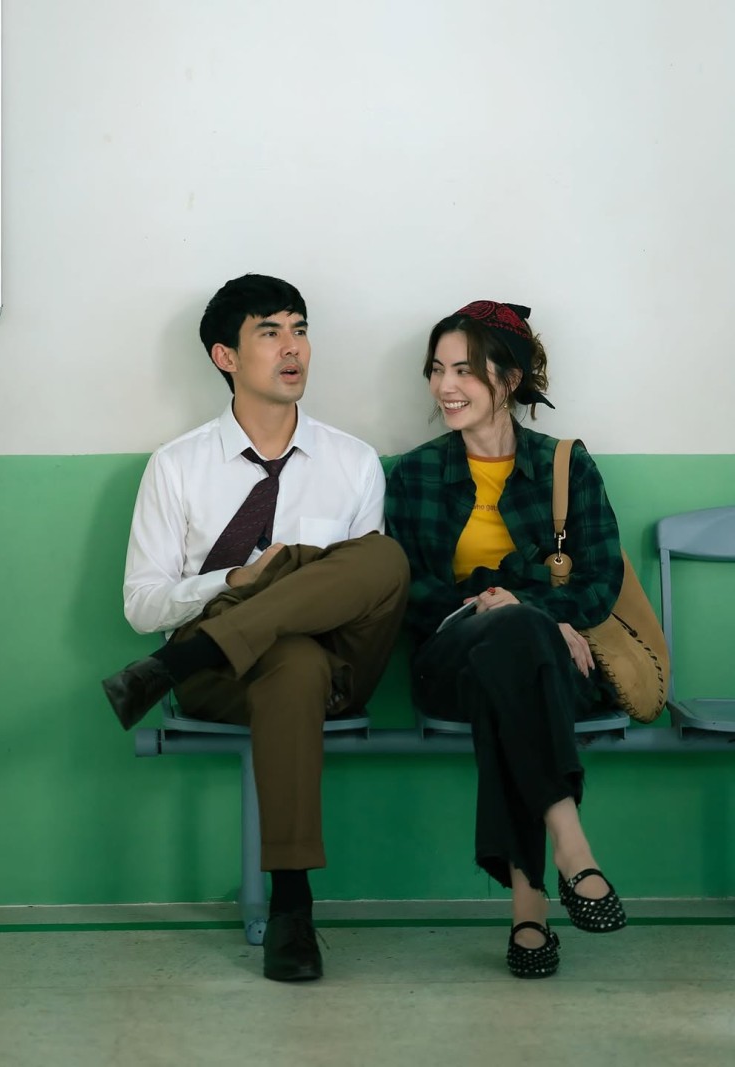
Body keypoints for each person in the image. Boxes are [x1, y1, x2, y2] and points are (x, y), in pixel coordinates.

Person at [102, 274, 409, 983]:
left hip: (339, 664)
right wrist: (234, 581)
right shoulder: (176, 466)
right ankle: (292, 907)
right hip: (227, 679)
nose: (291, 347)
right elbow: (142, 605)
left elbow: (363, 591)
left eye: (299, 329)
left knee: (382, 559)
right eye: (269, 332)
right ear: (226, 357)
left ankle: (167, 669)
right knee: (290, 660)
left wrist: (289, 578)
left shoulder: (354, 461)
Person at [384, 299, 627, 980]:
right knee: (511, 637)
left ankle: (530, 913)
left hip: (550, 664)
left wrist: (531, 610)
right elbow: (405, 589)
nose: (445, 385)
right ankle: (570, 846)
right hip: (449, 663)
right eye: (437, 369)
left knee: (515, 657)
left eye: (464, 369)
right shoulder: (414, 474)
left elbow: (602, 577)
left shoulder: (564, 465)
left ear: (510, 378)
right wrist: (493, 606)